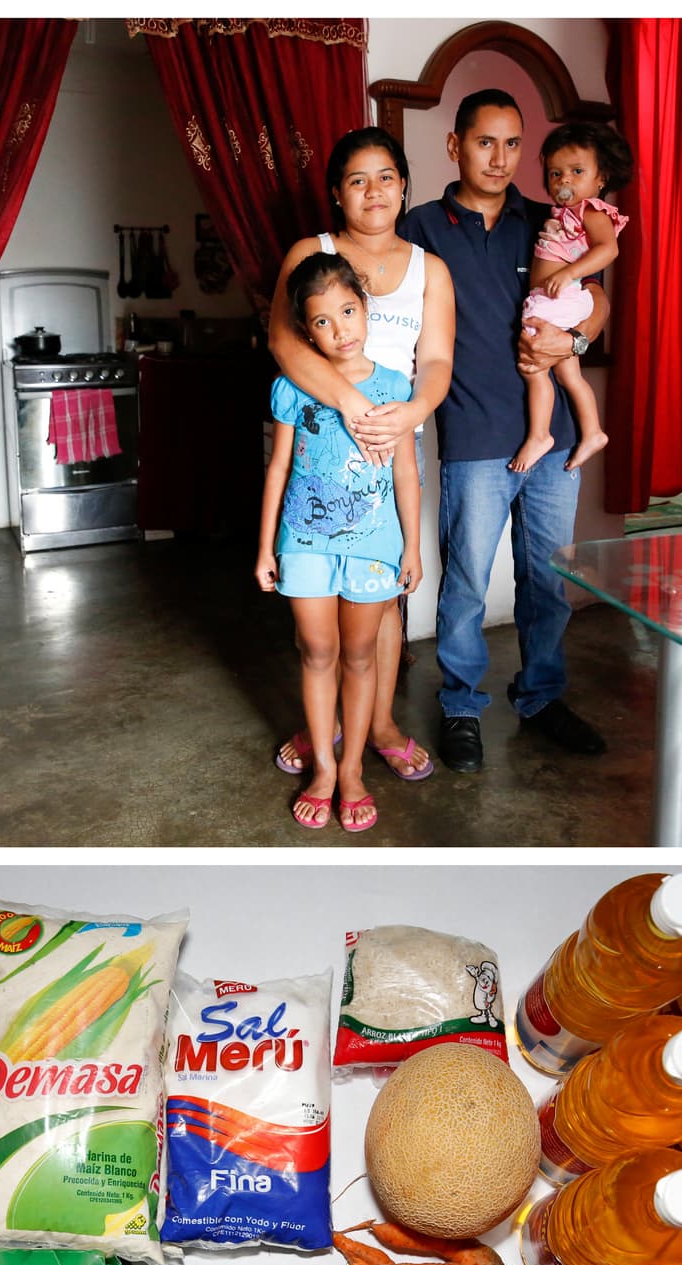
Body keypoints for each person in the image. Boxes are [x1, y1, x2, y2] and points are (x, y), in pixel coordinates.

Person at [398, 89, 610, 773]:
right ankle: (461, 704)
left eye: (514, 143)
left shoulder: (548, 220)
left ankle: (541, 696)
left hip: (553, 440)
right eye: (486, 142)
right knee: (464, 582)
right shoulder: (420, 230)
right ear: (455, 145)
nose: (501, 157)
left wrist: (571, 343)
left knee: (547, 581)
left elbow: (598, 298)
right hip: (474, 433)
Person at [268, 125, 455, 784]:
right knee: (318, 615)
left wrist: (406, 413)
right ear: (335, 193)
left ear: (404, 186)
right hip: (323, 440)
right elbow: (287, 349)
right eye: (357, 179)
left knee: (378, 610)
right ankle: (326, 726)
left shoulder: (431, 268)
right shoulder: (309, 253)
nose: (373, 191)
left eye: (385, 177)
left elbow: (434, 361)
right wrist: (352, 405)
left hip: (390, 449)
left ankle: (377, 724)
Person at [255, 253, 422, 834]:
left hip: (374, 547)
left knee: (359, 656)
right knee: (317, 653)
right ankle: (323, 769)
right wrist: (264, 548)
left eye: (348, 311)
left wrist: (413, 549)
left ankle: (353, 771)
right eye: (322, 321)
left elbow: (406, 474)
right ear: (305, 330)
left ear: (366, 308)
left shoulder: (395, 388)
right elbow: (277, 469)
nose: (340, 329)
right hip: (303, 545)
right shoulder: (291, 389)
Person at [511, 121, 633, 474]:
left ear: (601, 177)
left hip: (560, 299)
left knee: (534, 370)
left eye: (577, 171)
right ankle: (593, 431)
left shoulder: (590, 210)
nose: (564, 181)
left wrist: (569, 272)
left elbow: (608, 249)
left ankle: (540, 435)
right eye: (555, 173)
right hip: (558, 300)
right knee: (568, 376)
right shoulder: (566, 213)